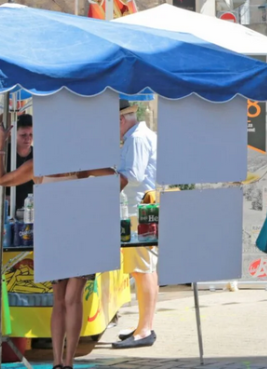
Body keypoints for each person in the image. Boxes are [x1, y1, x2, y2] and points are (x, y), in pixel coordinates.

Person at [0, 121, 115, 368]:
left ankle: (66, 362)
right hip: (56, 237)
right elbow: (1, 180)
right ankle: (59, 362)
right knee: (61, 299)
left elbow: (115, 179)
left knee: (70, 299)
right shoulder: (44, 166)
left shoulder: (75, 165)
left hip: (76, 237)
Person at [113, 101, 159, 349]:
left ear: (121, 120)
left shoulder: (137, 138)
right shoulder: (141, 135)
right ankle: (145, 325)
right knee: (146, 269)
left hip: (139, 210)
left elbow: (132, 176)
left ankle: (144, 330)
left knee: (143, 270)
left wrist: (100, 180)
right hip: (144, 208)